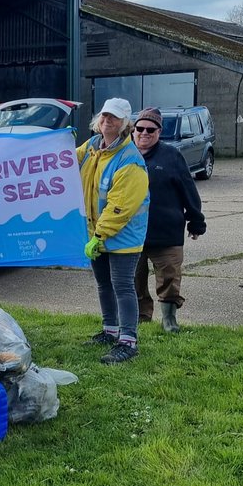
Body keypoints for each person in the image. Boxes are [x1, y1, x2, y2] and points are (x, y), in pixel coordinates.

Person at [77, 97, 149, 365]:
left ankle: (128, 341)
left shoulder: (130, 160)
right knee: (103, 284)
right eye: (105, 116)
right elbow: (67, 161)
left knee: (122, 286)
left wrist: (99, 236)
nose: (107, 121)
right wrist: (57, 144)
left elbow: (120, 206)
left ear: (125, 123)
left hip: (122, 236)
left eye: (114, 118)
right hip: (97, 234)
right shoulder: (93, 147)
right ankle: (110, 330)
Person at [132, 106, 206, 332]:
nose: (144, 133)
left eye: (150, 130)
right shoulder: (124, 155)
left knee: (169, 277)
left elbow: (188, 190)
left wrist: (196, 222)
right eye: (140, 128)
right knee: (133, 279)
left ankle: (169, 320)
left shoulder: (171, 155)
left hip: (166, 232)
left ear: (159, 132)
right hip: (131, 232)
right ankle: (140, 317)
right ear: (133, 130)